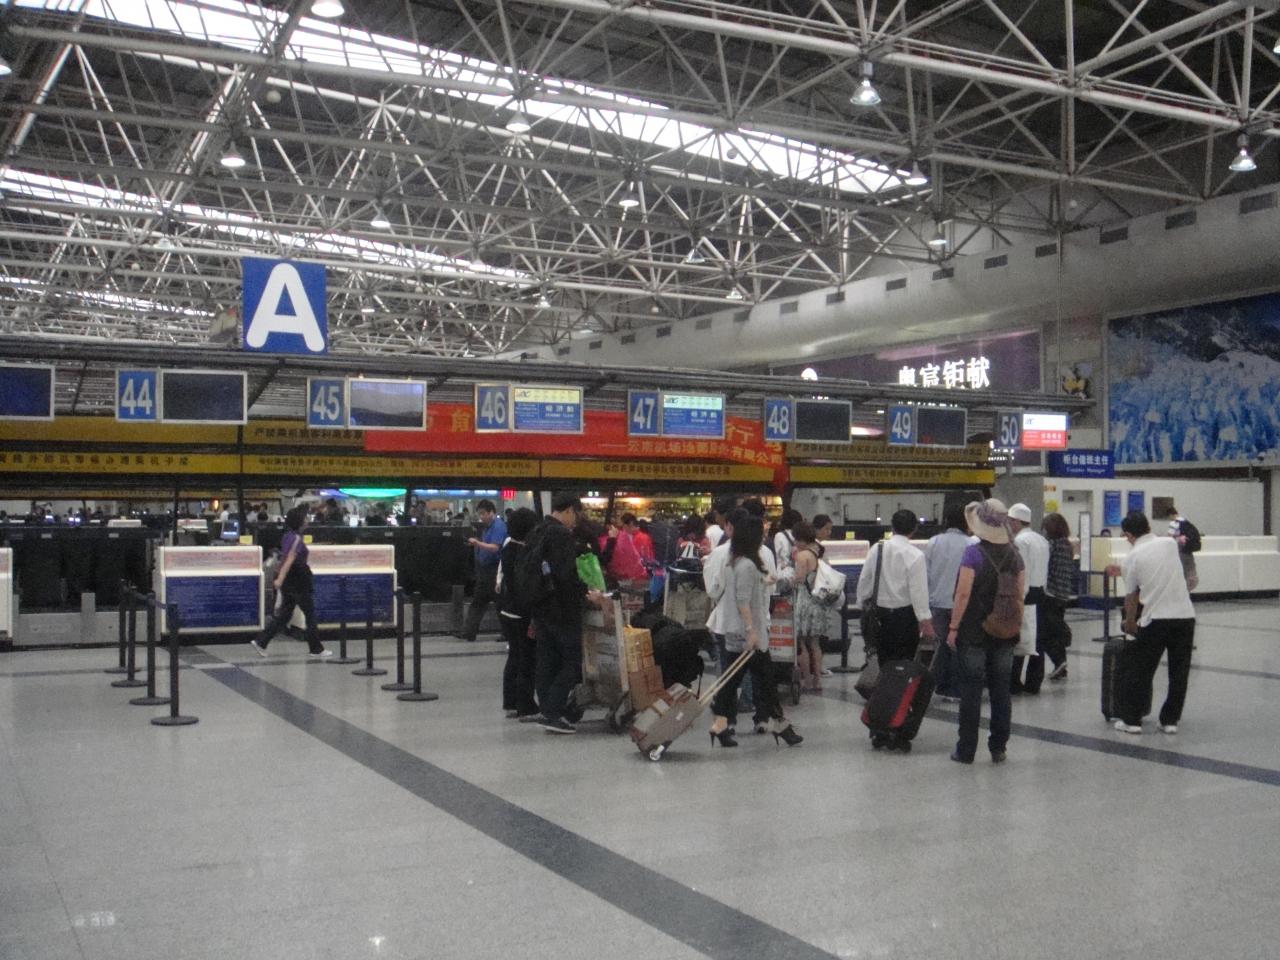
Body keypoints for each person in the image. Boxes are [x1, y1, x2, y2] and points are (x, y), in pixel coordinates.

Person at [706, 515, 802, 748]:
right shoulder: (748, 565)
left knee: (733, 682)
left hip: (736, 631)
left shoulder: (736, 560)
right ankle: (780, 726)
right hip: (748, 634)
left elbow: (739, 590)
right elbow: (742, 601)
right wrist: (751, 631)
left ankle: (721, 725)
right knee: (763, 681)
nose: (765, 537)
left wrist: (764, 581)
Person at [947, 499, 1024, 764]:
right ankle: (998, 747)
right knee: (1001, 690)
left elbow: (963, 593)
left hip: (974, 631)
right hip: (1004, 630)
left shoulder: (973, 554)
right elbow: (1019, 595)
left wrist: (953, 626)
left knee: (971, 691)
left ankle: (966, 750)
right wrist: (1016, 624)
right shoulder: (1015, 554)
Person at [1112, 511, 1196, 735]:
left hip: (1156, 620)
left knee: (1141, 671)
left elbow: (1131, 597)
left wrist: (1130, 622)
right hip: (1185, 616)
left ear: (1129, 535)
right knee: (1179, 673)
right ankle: (1170, 721)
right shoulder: (1169, 544)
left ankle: (1132, 721)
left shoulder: (1131, 558)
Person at [530, 492, 605, 734]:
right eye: (575, 515)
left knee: (547, 659)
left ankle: (547, 710)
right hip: (561, 608)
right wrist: (586, 593)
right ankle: (553, 711)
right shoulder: (560, 534)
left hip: (541, 606)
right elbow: (565, 575)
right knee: (572, 660)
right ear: (569, 510)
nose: (575, 521)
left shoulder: (537, 530)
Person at [249, 505, 331, 659]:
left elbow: (284, 558)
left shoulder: (287, 536)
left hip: (289, 580)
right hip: (299, 579)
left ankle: (261, 641)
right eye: (305, 518)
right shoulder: (296, 539)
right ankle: (316, 649)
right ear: (299, 521)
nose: (307, 520)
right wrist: (280, 579)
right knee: (310, 614)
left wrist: (281, 578)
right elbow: (290, 559)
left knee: (285, 614)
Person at [855, 509, 934, 664]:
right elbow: (918, 592)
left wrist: (861, 603)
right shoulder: (915, 555)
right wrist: (925, 620)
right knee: (904, 663)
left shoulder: (877, 549)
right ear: (914, 528)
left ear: (892, 527)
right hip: (905, 617)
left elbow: (865, 579)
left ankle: (885, 680)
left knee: (884, 660)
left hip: (879, 615)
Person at [923, 503, 969, 701]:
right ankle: (954, 689)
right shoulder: (971, 543)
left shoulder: (934, 542)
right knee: (960, 646)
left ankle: (937, 684)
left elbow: (925, 574)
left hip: (938, 602)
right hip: (962, 604)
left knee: (941, 646)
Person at [498, 507, 539, 720]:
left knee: (514, 656)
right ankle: (526, 705)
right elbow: (525, 585)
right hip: (521, 611)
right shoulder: (523, 552)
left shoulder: (508, 547)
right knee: (527, 658)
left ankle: (510, 702)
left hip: (507, 609)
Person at [1007, 503, 1050, 695]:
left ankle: (1014, 682)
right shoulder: (1042, 540)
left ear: (1016, 521)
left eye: (1010, 521)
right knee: (1038, 639)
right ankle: (1034, 682)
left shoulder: (1020, 541)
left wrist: (1018, 598)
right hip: (1041, 592)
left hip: (1026, 593)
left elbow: (1021, 571)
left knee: (1020, 638)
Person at [788, 521, 828, 692]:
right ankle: (818, 680)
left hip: (804, 602)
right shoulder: (817, 552)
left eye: (796, 539)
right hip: (817, 602)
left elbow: (799, 578)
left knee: (802, 643)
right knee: (815, 643)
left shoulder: (802, 555)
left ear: (802, 539)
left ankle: (807, 680)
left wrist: (789, 578)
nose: (795, 542)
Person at [461, 499, 507, 642]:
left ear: (491, 512)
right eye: (479, 514)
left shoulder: (498, 526)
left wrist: (477, 543)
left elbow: (495, 548)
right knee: (479, 601)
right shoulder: (487, 527)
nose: (481, 517)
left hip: (495, 570)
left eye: (483, 514)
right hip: (485, 570)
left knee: (499, 602)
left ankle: (506, 632)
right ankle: (469, 632)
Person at [1040, 512, 1075, 682]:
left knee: (1044, 632)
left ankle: (1058, 661)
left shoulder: (1051, 546)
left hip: (1050, 593)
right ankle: (1061, 666)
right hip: (1063, 595)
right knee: (1056, 631)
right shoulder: (1068, 546)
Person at [1164, 503, 1202, 591]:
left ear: (1170, 515)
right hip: (1188, 549)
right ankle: (1189, 588)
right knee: (1190, 569)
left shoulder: (1174, 523)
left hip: (1180, 550)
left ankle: (1182, 591)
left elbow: (1170, 537)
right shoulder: (1185, 521)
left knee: (1181, 571)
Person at [771, 508, 803, 577]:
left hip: (783, 573)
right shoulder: (801, 535)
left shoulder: (779, 535)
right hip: (798, 572)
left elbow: (776, 555)